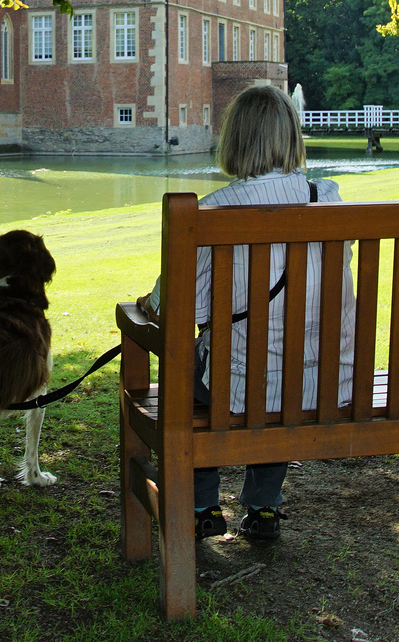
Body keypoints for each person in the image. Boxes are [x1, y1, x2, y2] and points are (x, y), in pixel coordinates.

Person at [137, 85, 357, 541]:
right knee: (276, 369)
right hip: (324, 382)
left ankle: (200, 505)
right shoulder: (327, 198)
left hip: (238, 385)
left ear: (233, 140)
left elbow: (183, 306)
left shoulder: (211, 212)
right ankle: (263, 507)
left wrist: (148, 304)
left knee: (195, 373)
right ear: (292, 137)